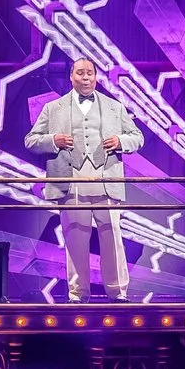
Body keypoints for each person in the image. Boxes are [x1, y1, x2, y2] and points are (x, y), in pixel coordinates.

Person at [24, 56, 142, 301]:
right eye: (80, 72)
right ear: (71, 77)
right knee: (75, 239)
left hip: (106, 181)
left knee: (112, 237)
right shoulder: (53, 108)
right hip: (71, 182)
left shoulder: (114, 107)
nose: (86, 77)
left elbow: (137, 137)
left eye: (90, 72)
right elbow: (31, 140)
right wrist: (53, 140)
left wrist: (121, 141)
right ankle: (77, 293)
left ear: (96, 76)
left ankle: (118, 292)